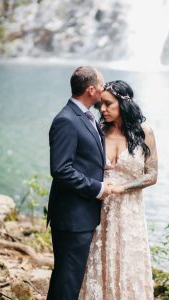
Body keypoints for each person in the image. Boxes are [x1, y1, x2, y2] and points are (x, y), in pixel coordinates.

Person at [79, 80, 158, 299]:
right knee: (99, 262)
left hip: (130, 212)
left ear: (123, 104)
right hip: (99, 210)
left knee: (128, 263)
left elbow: (151, 175)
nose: (102, 109)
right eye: (100, 105)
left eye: (108, 104)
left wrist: (121, 188)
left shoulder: (144, 132)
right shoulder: (98, 131)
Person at [46, 66, 112, 300]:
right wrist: (97, 188)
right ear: (91, 89)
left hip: (81, 215)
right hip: (72, 216)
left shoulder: (86, 117)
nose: (104, 91)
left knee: (68, 277)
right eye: (102, 86)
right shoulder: (66, 120)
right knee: (68, 279)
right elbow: (61, 169)